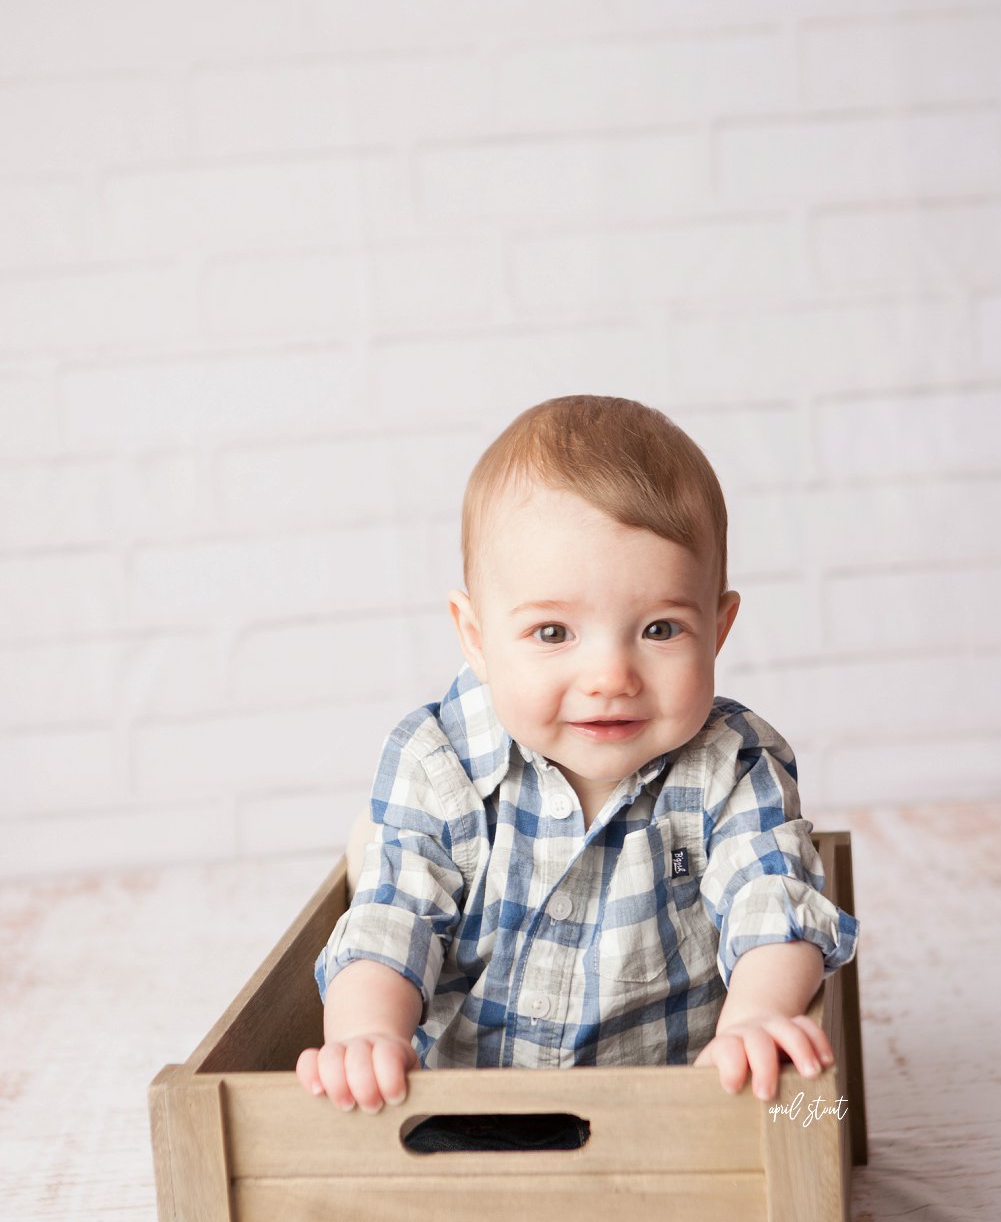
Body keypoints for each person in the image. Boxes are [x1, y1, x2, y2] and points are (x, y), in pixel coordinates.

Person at [297, 394, 859, 1114]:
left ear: (718, 628)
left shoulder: (731, 765)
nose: (610, 678)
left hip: (675, 1108)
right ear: (475, 635)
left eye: (660, 629)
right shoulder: (441, 763)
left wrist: (756, 1016)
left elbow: (771, 903)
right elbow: (392, 918)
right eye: (554, 633)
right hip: (461, 1113)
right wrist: (368, 1032)